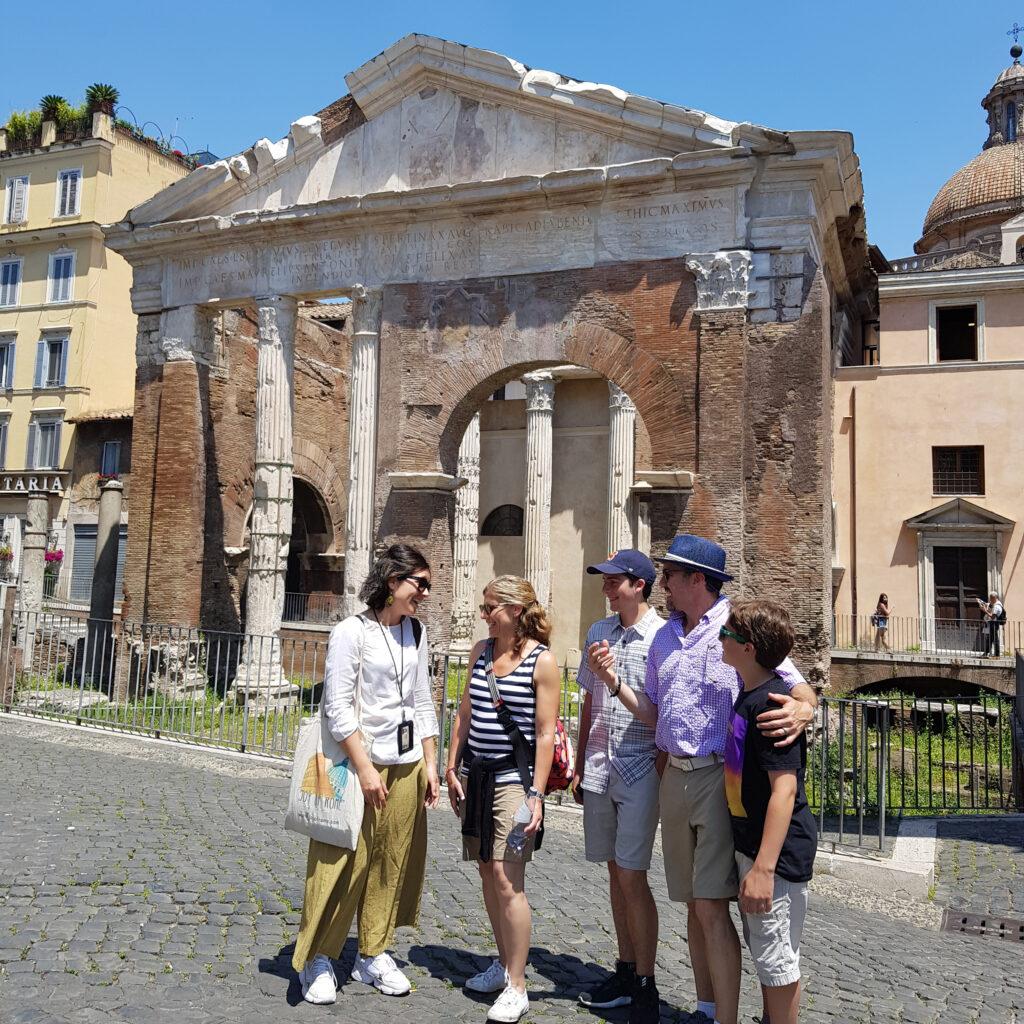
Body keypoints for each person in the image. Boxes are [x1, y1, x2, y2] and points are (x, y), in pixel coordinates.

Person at [589, 534, 817, 1024]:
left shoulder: (737, 628)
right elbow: (653, 712)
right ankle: (706, 1004)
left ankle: (723, 1017)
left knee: (712, 904)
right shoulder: (666, 636)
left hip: (718, 778)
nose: (662, 583)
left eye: (669, 574)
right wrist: (614, 684)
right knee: (694, 903)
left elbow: (795, 686)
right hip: (674, 776)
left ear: (696, 579)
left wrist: (805, 708)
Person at [292, 544, 441, 1005]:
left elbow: (421, 700)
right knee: (339, 861)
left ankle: (372, 950)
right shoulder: (350, 632)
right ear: (392, 580)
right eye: (420, 583)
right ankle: (317, 956)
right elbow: (336, 705)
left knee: (390, 860)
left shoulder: (415, 631)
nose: (425, 593)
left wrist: (431, 763)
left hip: (407, 762)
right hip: (355, 763)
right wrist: (363, 767)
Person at [445, 576, 561, 1023]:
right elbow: (464, 713)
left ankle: (518, 984)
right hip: (476, 776)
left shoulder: (541, 661)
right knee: (486, 872)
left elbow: (546, 734)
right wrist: (453, 768)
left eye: (490, 607)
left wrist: (536, 794)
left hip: (515, 780)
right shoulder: (480, 652)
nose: (483, 614)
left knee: (509, 878)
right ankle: (503, 960)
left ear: (514, 610)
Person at [573, 551, 665, 1024]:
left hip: (640, 765)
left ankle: (646, 982)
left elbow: (654, 714)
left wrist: (613, 680)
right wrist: (575, 757)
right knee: (614, 871)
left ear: (640, 585)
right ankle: (626, 967)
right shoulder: (598, 632)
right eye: (604, 580)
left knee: (632, 874)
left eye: (614, 581)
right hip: (599, 764)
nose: (606, 587)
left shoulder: (663, 637)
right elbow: (589, 699)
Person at [720, 600, 817, 1024]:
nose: (720, 638)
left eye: (728, 633)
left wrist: (763, 868)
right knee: (767, 952)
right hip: (754, 847)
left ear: (748, 647)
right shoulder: (750, 694)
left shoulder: (772, 706)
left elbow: (784, 791)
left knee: (778, 962)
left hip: (774, 857)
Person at [977, 592, 1005, 657]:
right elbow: (988, 604)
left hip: (994, 624)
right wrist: (981, 602)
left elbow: (992, 617)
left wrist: (984, 610)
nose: (990, 600)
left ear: (994, 598)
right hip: (993, 623)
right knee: (990, 639)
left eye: (991, 598)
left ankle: (996, 655)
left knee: (995, 640)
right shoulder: (996, 603)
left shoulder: (997, 607)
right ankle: (986, 653)